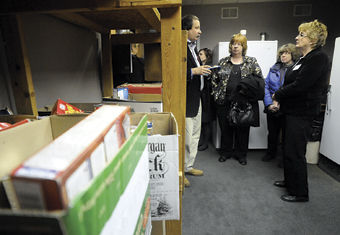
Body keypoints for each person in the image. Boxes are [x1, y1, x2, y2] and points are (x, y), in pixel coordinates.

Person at [272, 20, 329, 202]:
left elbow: (301, 85)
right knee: (288, 149)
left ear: (313, 39)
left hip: (302, 112)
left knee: (296, 151)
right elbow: (293, 82)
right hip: (292, 111)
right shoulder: (304, 59)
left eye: (302, 35)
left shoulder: (318, 58)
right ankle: (290, 182)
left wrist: (278, 95)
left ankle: (300, 193)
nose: (297, 37)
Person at [211, 33, 264, 166]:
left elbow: (259, 80)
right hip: (224, 102)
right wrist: (217, 95)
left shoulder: (251, 62)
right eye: (233, 43)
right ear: (230, 46)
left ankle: (241, 155)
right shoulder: (223, 62)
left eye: (239, 44)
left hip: (244, 103)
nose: (235, 46)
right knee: (225, 128)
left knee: (242, 130)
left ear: (243, 46)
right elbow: (214, 80)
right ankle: (225, 152)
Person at [182, 15, 211, 187]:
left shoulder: (193, 47)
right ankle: (180, 170)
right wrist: (194, 71)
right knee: (185, 138)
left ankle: (188, 166)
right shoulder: (180, 47)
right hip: (185, 99)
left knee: (194, 135)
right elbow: (176, 73)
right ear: (187, 29)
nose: (200, 31)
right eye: (197, 27)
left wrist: (204, 71)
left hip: (196, 97)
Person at [262, 43, 300, 166]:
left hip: (287, 107)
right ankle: (270, 153)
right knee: (272, 132)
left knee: (287, 135)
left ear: (293, 54)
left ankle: (284, 158)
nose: (283, 55)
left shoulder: (297, 69)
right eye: (282, 53)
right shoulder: (274, 68)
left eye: (286, 53)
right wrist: (269, 104)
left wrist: (278, 100)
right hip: (272, 106)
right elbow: (266, 86)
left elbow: (294, 89)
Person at [198, 48, 215, 151]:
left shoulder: (210, 68)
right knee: (200, 121)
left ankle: (205, 143)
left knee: (206, 121)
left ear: (207, 57)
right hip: (200, 98)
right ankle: (201, 141)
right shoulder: (197, 67)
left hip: (208, 99)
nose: (199, 56)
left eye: (201, 54)